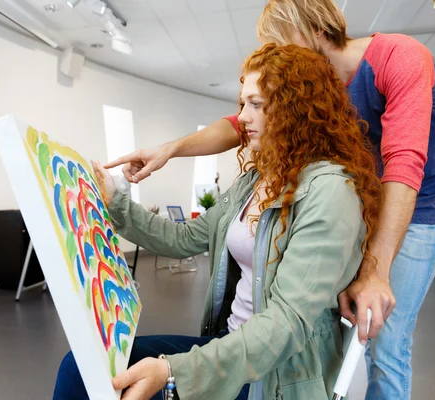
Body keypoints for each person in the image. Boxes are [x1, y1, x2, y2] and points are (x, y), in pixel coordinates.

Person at [105, 1, 435, 398]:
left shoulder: (400, 57)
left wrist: (375, 269)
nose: (278, 55)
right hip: (364, 198)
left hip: (418, 206)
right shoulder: (309, 93)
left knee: (385, 342)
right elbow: (242, 123)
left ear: (310, 30)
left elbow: (404, 165)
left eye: (279, 42)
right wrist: (170, 149)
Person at [53, 43, 381, 400]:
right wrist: (115, 202)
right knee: (81, 368)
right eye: (243, 104)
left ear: (296, 110)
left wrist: (173, 372)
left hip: (274, 378)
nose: (241, 117)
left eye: (256, 104)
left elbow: (286, 324)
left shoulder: (331, 192)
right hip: (229, 346)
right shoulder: (256, 180)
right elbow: (182, 238)